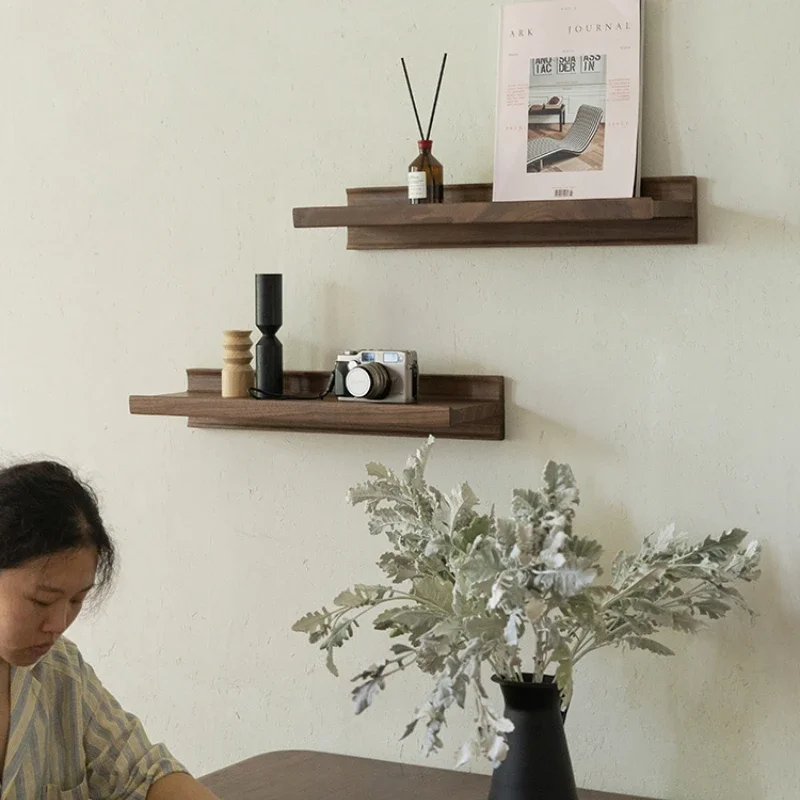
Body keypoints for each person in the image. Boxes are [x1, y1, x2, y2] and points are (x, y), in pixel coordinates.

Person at [0, 460, 219, 799]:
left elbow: (142, 771)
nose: (58, 625)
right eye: (42, 601)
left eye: (76, 601)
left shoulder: (61, 670)